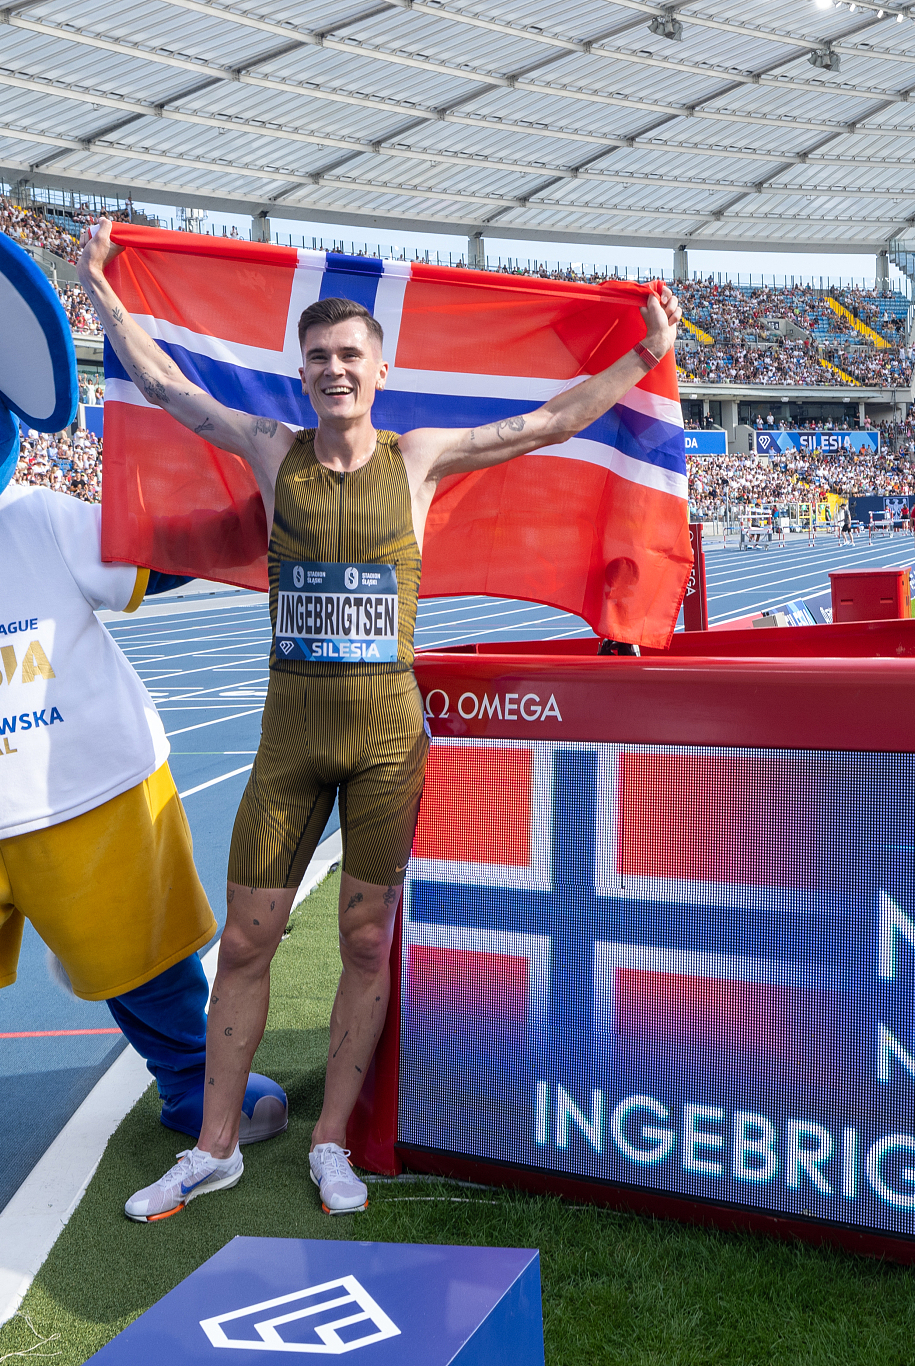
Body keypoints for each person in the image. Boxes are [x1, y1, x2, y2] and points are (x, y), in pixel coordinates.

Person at [76, 219, 683, 1220]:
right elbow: (168, 388)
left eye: (348, 355)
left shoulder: (423, 455)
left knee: (365, 937)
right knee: (245, 940)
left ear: (379, 367)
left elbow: (542, 423)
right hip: (292, 738)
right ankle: (213, 1146)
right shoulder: (270, 448)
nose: (332, 370)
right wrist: (102, 291)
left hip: (386, 740)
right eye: (316, 358)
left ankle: (328, 1141)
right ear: (300, 372)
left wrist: (642, 356)